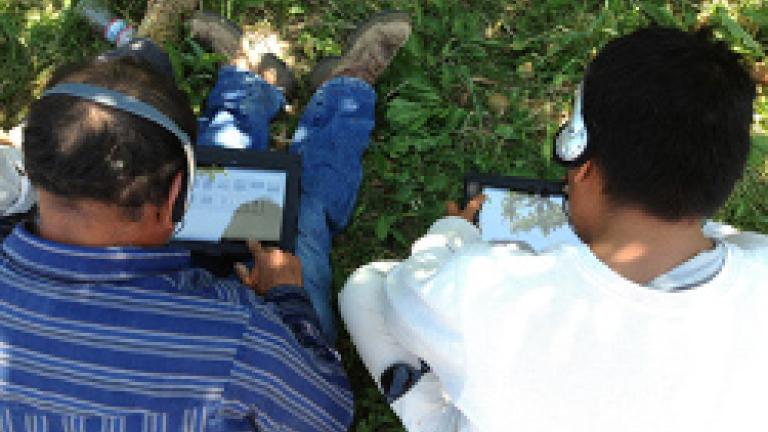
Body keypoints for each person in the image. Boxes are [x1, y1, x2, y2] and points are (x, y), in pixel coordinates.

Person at [0, 6, 410, 431]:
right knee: (303, 214)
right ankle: (343, 90)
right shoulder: (242, 342)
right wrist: (287, 296)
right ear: (178, 194)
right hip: (259, 319)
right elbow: (327, 414)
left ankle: (248, 83)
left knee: (231, 162)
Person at [340, 26, 768, 431]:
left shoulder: (483, 290)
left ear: (584, 167)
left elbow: (404, 294)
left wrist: (452, 234)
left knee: (367, 288)